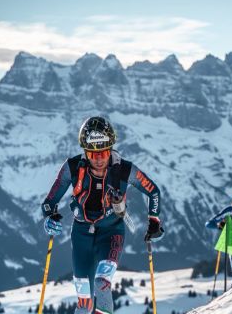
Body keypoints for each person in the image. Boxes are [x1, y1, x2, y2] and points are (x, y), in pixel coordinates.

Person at [40, 116, 164, 314]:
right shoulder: (72, 167)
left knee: (102, 283)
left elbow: (153, 191)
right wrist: (49, 217)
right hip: (81, 234)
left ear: (111, 149)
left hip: (112, 231)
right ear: (85, 152)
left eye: (104, 152)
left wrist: (154, 220)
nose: (98, 159)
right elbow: (49, 203)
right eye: (93, 153)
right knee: (84, 304)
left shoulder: (125, 170)